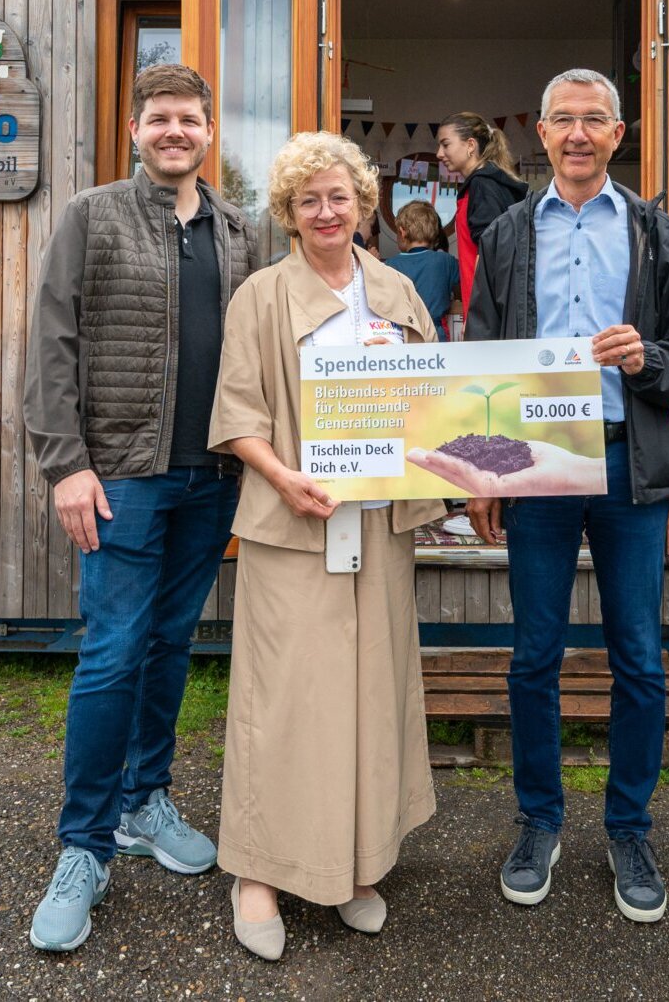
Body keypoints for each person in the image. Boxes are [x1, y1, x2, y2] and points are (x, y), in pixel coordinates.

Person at [460, 69, 669, 923]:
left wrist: (648, 360)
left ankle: (629, 828)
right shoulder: (505, 233)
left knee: (637, 657)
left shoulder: (659, 235)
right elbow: (482, 358)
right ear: (539, 132)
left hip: (626, 463)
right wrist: (482, 473)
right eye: (563, 119)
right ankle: (539, 820)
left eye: (594, 120)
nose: (578, 133)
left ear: (618, 134)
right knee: (534, 654)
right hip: (533, 469)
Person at [22, 63, 259, 953]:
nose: (175, 131)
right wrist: (65, 466)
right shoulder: (92, 216)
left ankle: (144, 801)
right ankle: (82, 849)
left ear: (208, 132)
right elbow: (51, 341)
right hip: (120, 475)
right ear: (136, 131)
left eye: (189, 119)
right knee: (113, 653)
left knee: (169, 643)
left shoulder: (238, 229)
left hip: (212, 476)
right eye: (159, 118)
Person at [209, 132, 445, 962]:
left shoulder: (397, 293)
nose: (324, 212)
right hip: (292, 522)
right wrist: (283, 478)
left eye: (337, 196)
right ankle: (260, 873)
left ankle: (355, 863)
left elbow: (434, 407)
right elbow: (237, 414)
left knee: (367, 693)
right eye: (307, 200)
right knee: (283, 700)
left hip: (377, 525)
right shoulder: (261, 298)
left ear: (362, 203)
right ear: (288, 212)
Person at [435, 110, 528, 319]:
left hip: (487, 313)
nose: (439, 153)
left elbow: (489, 254)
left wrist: (478, 318)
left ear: (470, 145)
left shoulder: (482, 185)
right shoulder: (493, 184)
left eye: (446, 144)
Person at [386, 199, 461, 339]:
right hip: (436, 334)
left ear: (402, 232)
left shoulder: (390, 265)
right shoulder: (446, 262)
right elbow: (467, 286)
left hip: (403, 334)